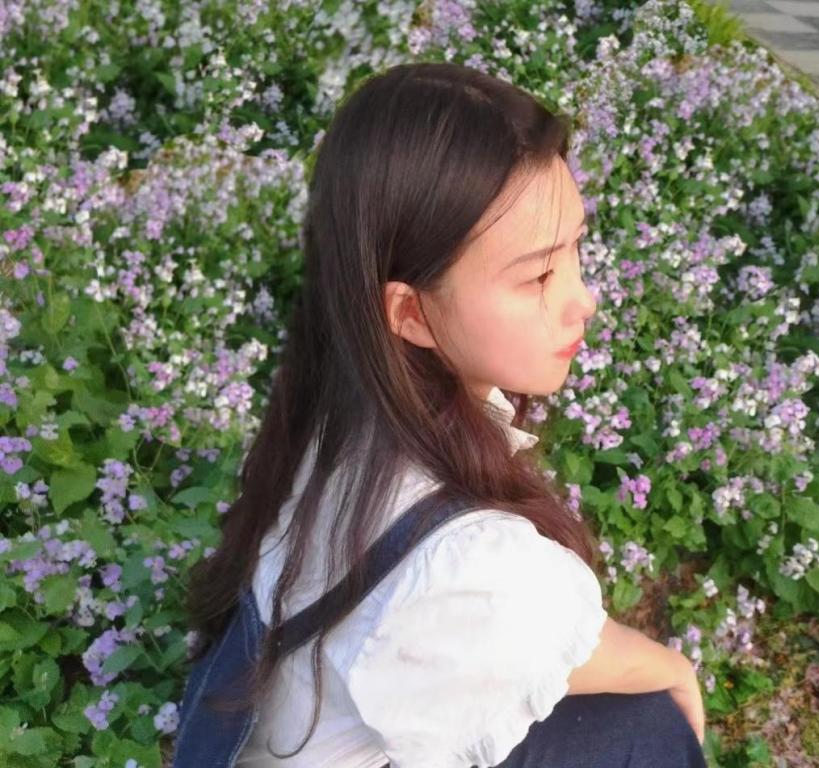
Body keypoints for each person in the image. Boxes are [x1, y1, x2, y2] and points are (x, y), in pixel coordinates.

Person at [180, 60, 707, 768]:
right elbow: (554, 639)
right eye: (539, 275)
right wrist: (673, 670)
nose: (584, 299)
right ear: (410, 312)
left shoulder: (335, 416)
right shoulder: (466, 568)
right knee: (647, 730)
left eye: (576, 249)